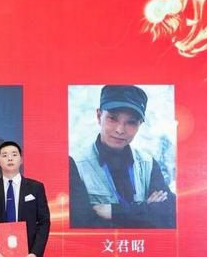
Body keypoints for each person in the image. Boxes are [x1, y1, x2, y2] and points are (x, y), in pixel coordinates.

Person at [69, 85, 176, 228]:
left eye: (131, 122)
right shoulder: (74, 164)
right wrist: (146, 212)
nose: (120, 130)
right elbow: (81, 224)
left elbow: (169, 216)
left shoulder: (148, 164)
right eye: (113, 118)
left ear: (140, 124)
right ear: (99, 116)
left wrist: (115, 212)